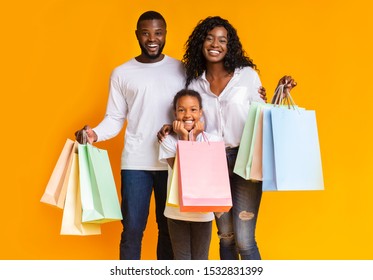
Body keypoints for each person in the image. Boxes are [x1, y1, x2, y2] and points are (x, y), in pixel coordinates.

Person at [158, 16, 296, 260]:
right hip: (211, 162)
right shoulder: (194, 80)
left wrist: (278, 92)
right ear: (201, 43)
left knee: (244, 239)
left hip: (246, 159)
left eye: (222, 40)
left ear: (229, 46)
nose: (215, 44)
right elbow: (190, 114)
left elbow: (262, 115)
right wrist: (172, 126)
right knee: (226, 236)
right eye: (210, 38)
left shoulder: (247, 76)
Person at [75, 11, 186, 260]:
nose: (152, 39)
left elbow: (197, 110)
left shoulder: (181, 69)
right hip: (136, 163)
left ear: (165, 34)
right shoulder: (122, 73)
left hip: (172, 160)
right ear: (137, 35)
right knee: (132, 230)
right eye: (146, 33)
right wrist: (93, 134)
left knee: (168, 230)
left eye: (158, 33)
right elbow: (115, 118)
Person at [159, 89, 221, 260]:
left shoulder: (212, 141)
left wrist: (193, 137)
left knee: (201, 260)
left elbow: (202, 173)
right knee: (182, 261)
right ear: (175, 113)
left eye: (193, 109)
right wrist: (185, 137)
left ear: (201, 112)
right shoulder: (168, 141)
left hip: (203, 213)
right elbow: (183, 171)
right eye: (181, 110)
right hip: (176, 213)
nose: (188, 114)